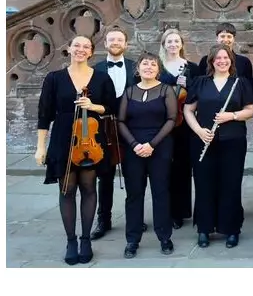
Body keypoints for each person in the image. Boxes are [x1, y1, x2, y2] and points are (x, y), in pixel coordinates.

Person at [35, 35, 116, 265]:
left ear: (91, 52)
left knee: (89, 188)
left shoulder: (101, 78)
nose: (81, 49)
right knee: (67, 189)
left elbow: (111, 108)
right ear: (69, 48)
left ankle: (86, 239)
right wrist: (41, 146)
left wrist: (93, 106)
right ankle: (71, 240)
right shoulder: (54, 78)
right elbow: (44, 114)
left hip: (91, 139)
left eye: (86, 47)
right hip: (62, 137)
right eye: (76, 45)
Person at [184, 44, 253, 248]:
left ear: (231, 61)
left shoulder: (240, 83)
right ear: (211, 62)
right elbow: (188, 110)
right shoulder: (200, 82)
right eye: (218, 58)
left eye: (226, 58)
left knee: (230, 185)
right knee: (204, 184)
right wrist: (198, 130)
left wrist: (231, 116)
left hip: (233, 141)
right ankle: (204, 229)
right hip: (203, 140)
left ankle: (231, 229)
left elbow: (250, 109)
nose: (222, 61)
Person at [116, 52, 177, 258]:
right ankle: (132, 240)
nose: (149, 67)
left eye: (153, 64)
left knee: (161, 193)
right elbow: (121, 121)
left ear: (158, 69)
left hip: (159, 146)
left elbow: (171, 119)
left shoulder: (166, 90)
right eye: (145, 64)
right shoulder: (129, 91)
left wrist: (151, 144)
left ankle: (164, 237)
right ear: (138, 68)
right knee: (134, 195)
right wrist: (134, 145)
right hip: (133, 149)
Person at [90, 25, 144, 240]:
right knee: (105, 177)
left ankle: (136, 219)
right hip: (104, 130)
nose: (115, 43)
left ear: (125, 44)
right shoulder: (96, 69)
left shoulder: (135, 68)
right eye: (111, 40)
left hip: (132, 129)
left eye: (119, 40)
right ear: (105, 44)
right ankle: (104, 218)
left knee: (135, 176)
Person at [158, 28, 201, 229]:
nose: (173, 45)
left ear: (181, 44)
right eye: (169, 41)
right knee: (164, 169)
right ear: (164, 44)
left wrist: (188, 84)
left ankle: (180, 212)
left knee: (183, 168)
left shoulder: (191, 68)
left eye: (176, 41)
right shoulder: (157, 67)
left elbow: (199, 93)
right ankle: (165, 210)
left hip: (184, 125)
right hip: (161, 123)